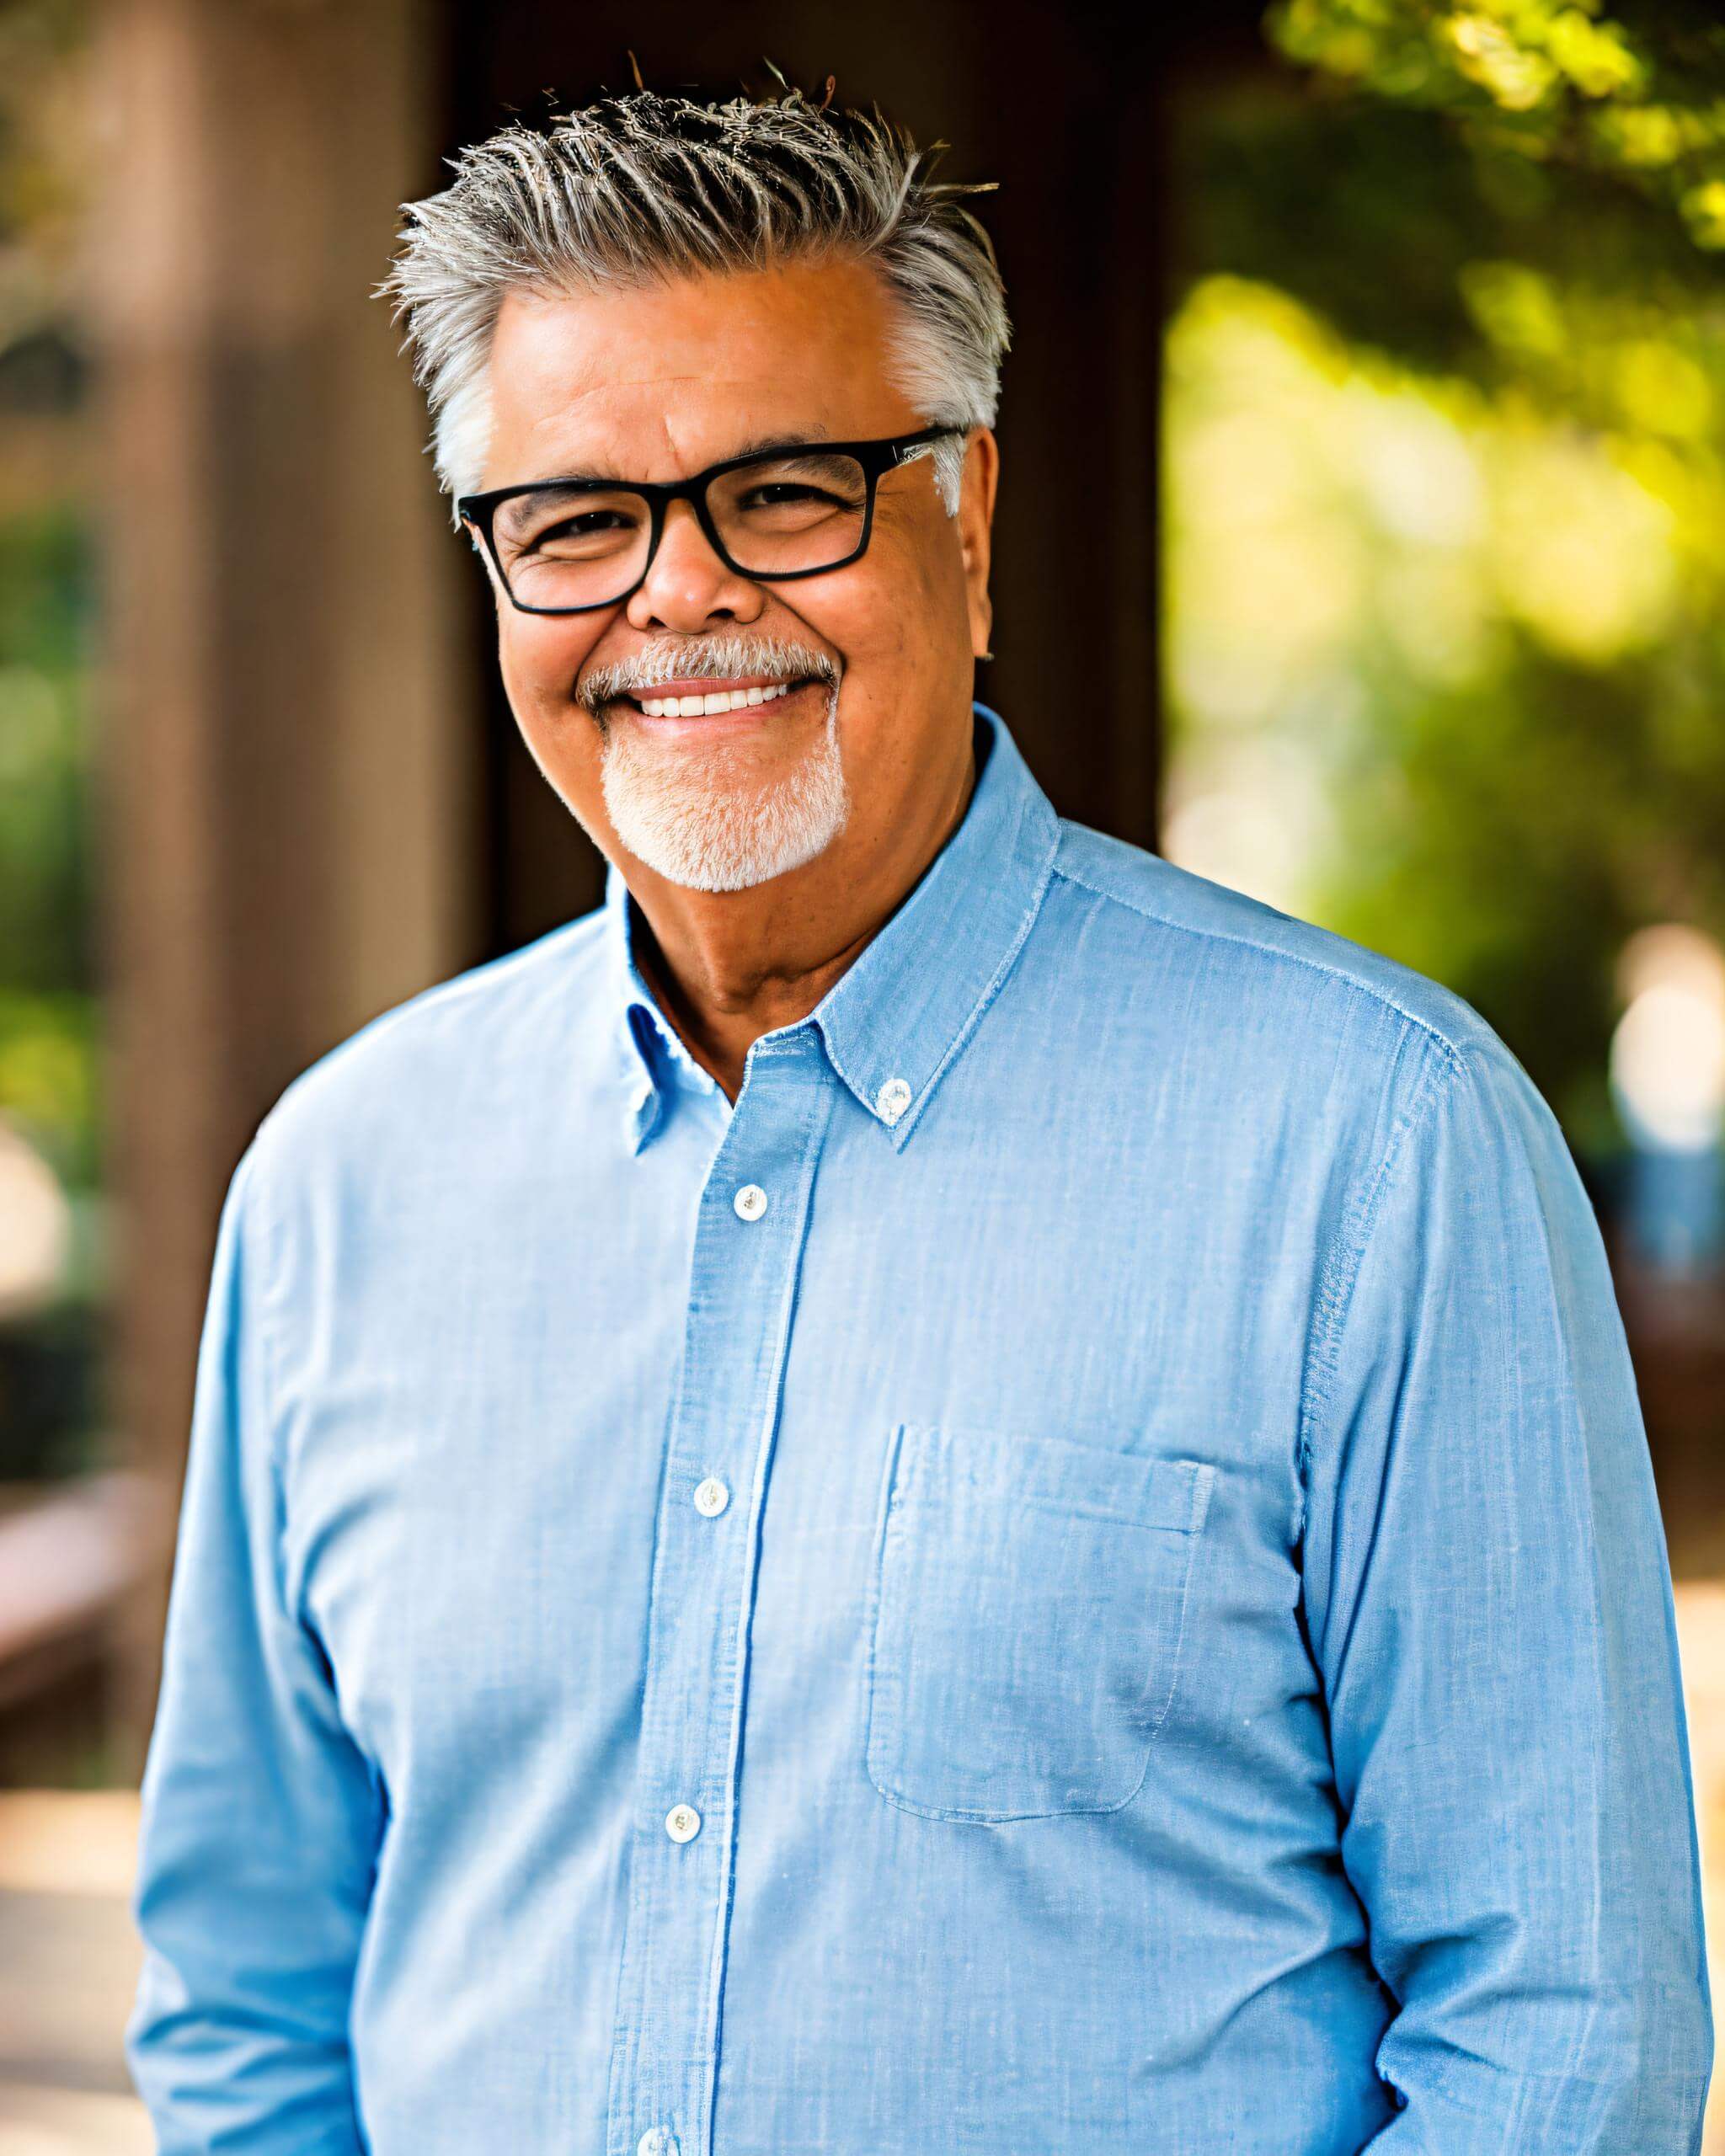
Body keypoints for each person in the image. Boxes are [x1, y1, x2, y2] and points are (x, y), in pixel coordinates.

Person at [124, 83, 1712, 2155]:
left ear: (964, 510)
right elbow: (250, 2003)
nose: (677, 594)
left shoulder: (1375, 1145)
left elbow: (1562, 2026)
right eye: (577, 518)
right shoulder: (343, 1180)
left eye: (785, 491)